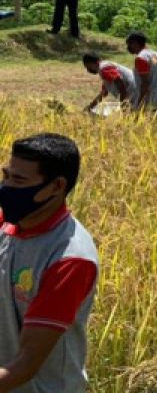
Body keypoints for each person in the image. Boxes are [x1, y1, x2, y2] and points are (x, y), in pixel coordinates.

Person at [0, 133, 99, 392]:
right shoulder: (6, 224)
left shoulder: (69, 259)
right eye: (6, 175)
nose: (7, 187)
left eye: (19, 180)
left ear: (56, 186)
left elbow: (25, 364)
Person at [125, 32, 157, 116]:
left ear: (135, 43)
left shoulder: (141, 58)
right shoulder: (155, 54)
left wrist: (140, 103)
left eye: (129, 44)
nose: (128, 47)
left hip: (151, 98)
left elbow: (145, 83)